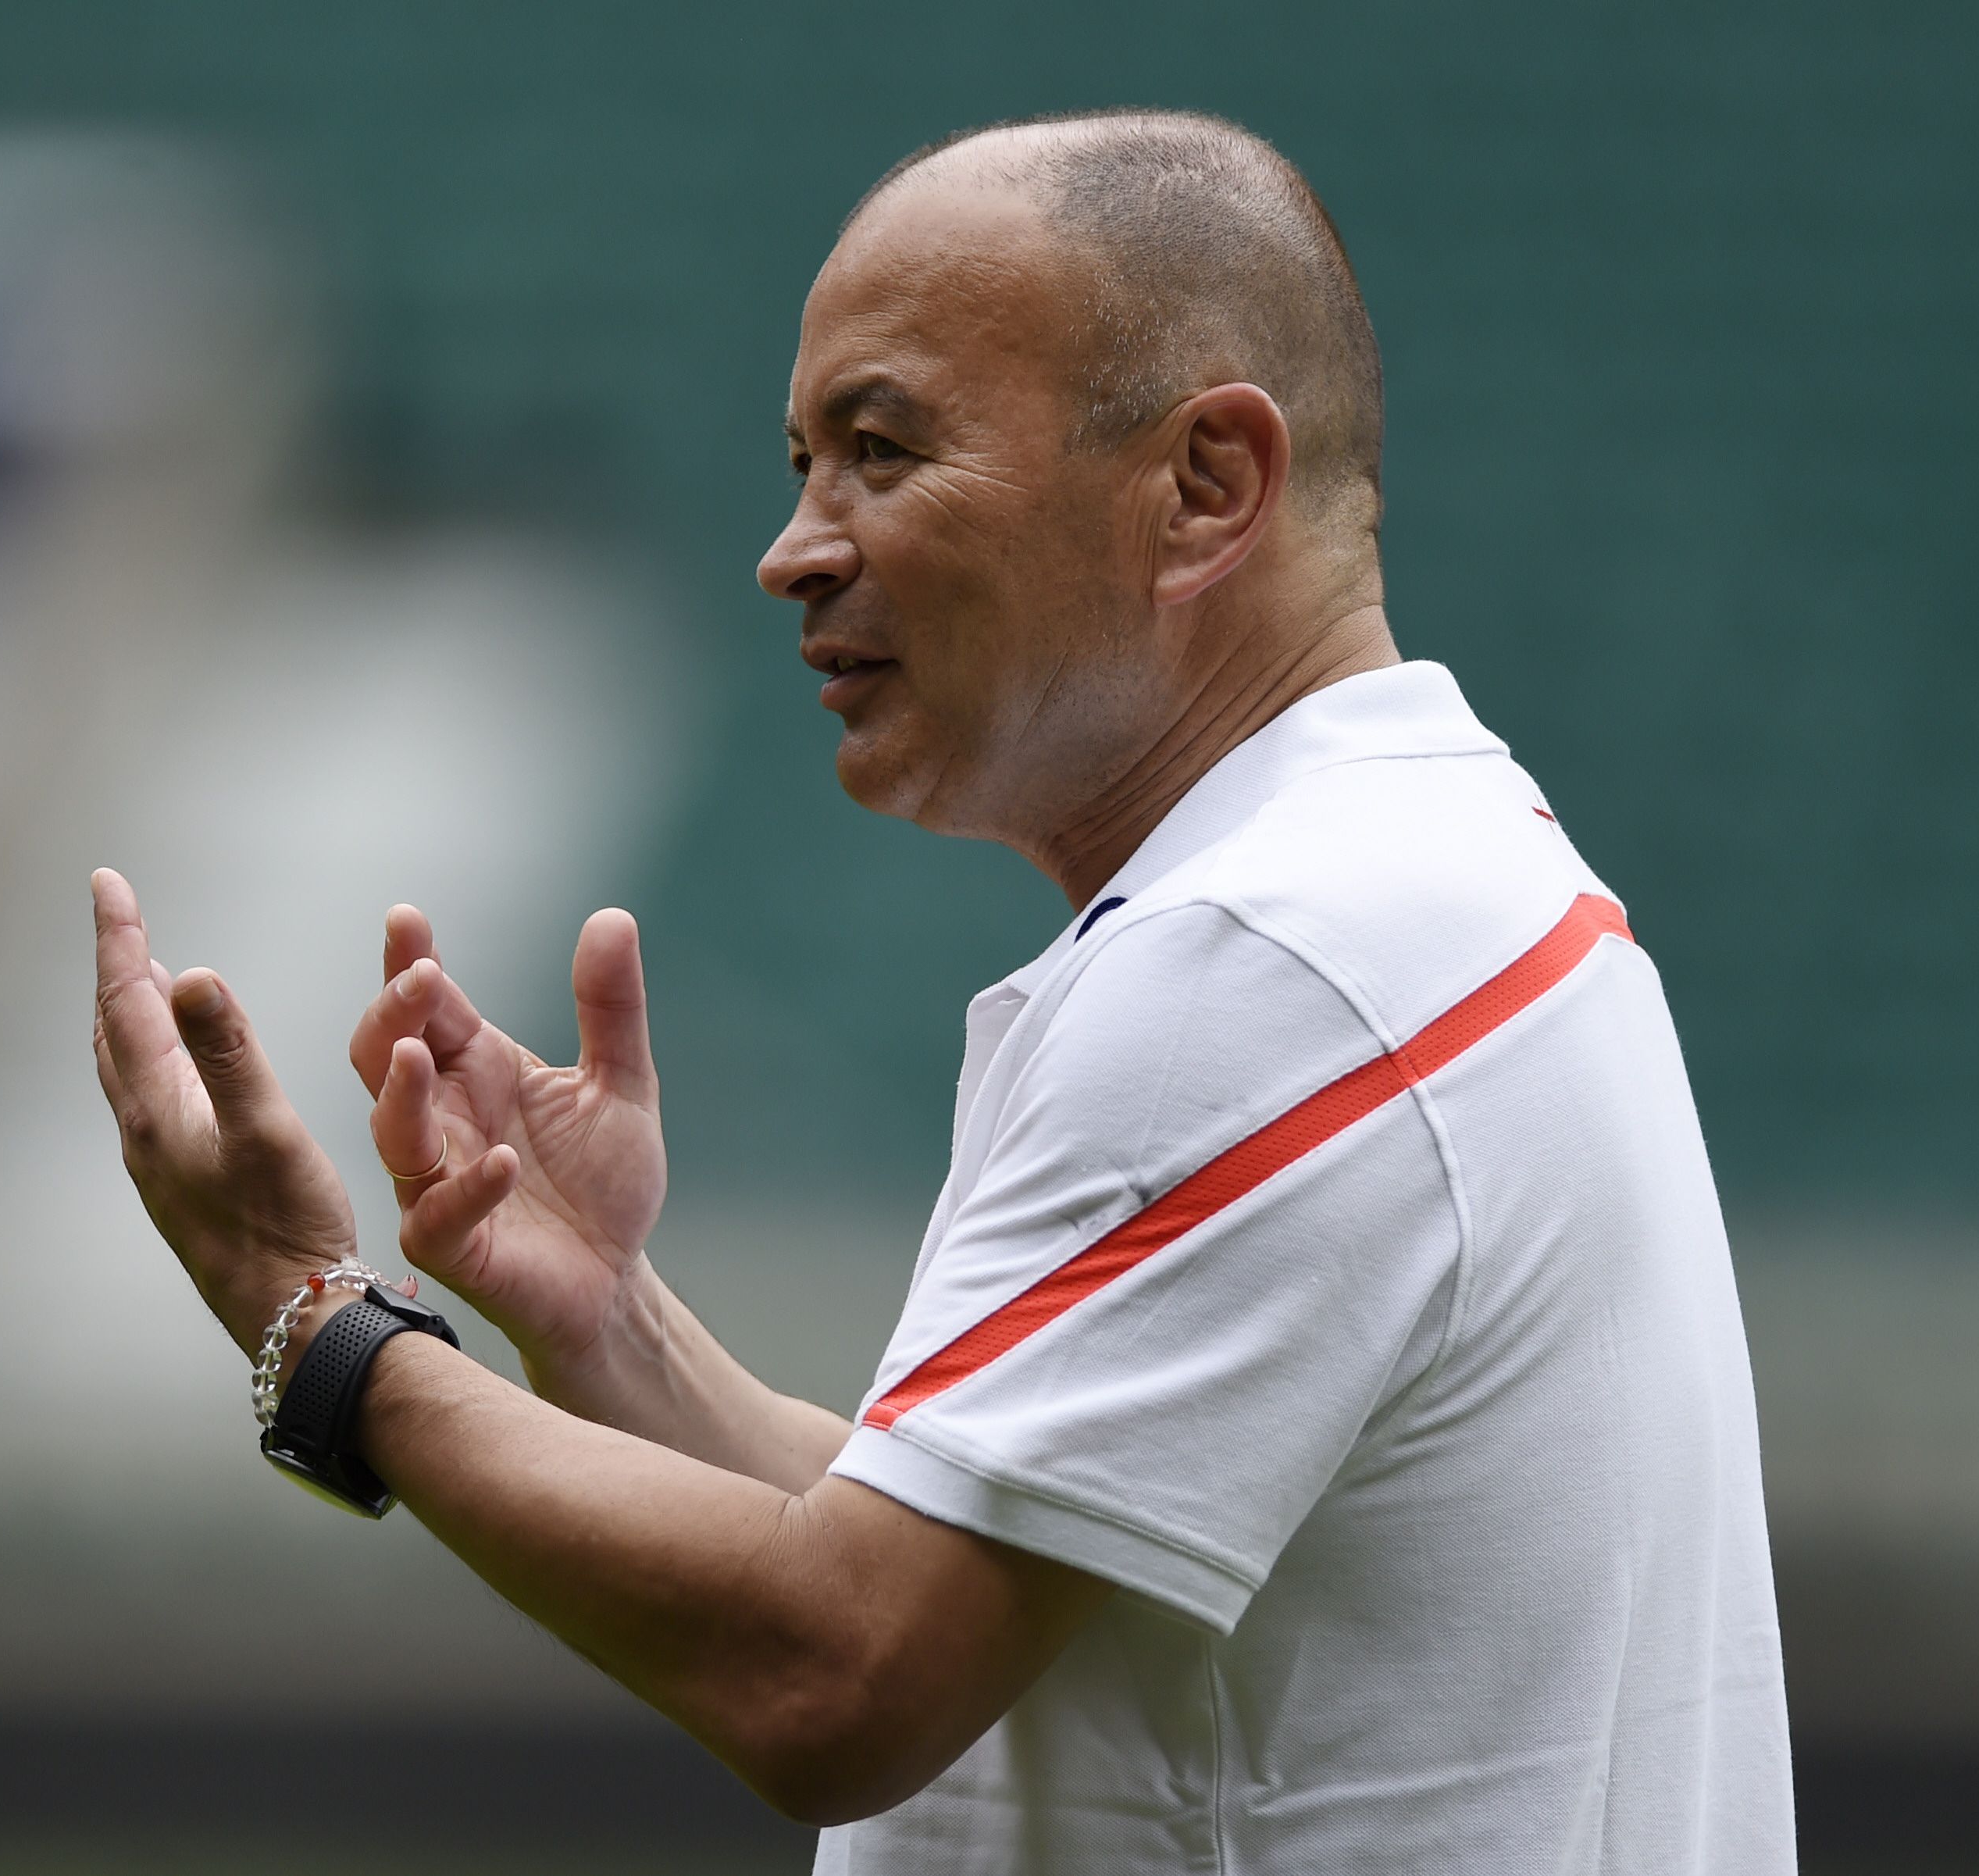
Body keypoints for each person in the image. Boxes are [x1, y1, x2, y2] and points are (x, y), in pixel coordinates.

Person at [91, 109, 1795, 1873]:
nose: (793, 548)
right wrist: (607, 1325)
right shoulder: (1425, 880)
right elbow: (969, 1564)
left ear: (1206, 485)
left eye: (881, 450)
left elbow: (834, 1668)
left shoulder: (1274, 957)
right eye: (802, 463)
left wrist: (315, 1324)